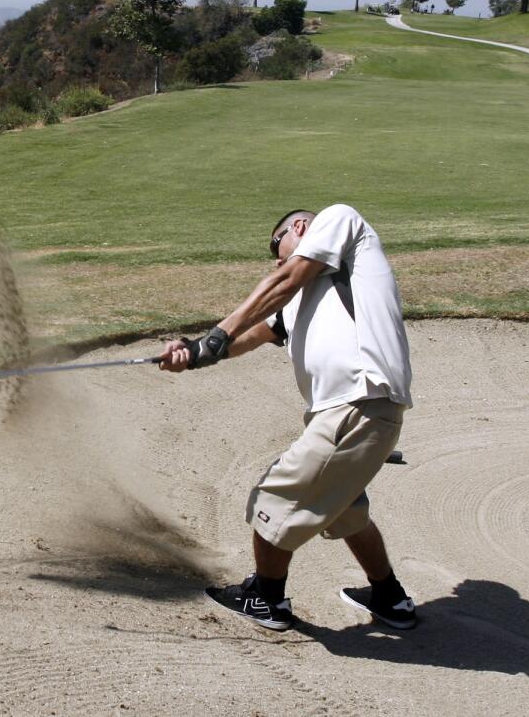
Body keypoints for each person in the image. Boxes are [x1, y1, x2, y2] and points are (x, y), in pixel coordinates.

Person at [158, 204, 416, 632]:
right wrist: (193, 353)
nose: (278, 259)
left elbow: (282, 279)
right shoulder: (300, 301)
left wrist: (214, 336)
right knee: (347, 512)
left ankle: (266, 598)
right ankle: (390, 597)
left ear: (300, 228)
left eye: (278, 246)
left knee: (272, 500)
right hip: (350, 414)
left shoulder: (339, 220)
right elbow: (250, 337)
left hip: (357, 403)